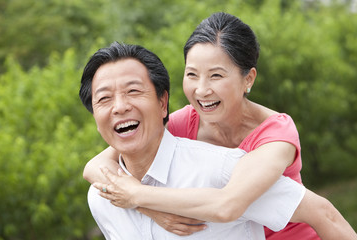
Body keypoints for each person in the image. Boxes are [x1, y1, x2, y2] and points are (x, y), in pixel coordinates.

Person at [82, 12, 346, 239]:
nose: (202, 90)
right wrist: (147, 208)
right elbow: (97, 165)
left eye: (216, 75)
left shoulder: (275, 135)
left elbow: (227, 205)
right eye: (192, 75)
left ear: (248, 79)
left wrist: (138, 196)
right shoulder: (185, 120)